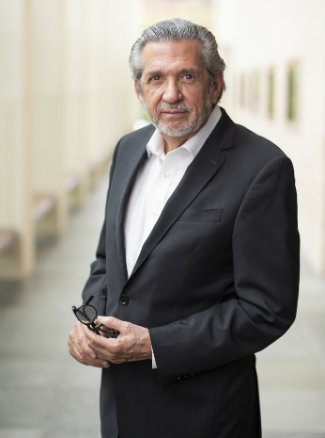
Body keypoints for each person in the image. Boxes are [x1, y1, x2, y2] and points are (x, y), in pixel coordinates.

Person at [68, 18, 300, 438]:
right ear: (139, 90)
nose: (170, 93)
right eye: (156, 78)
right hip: (121, 407)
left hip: (204, 415)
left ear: (215, 84)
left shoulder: (262, 169)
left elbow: (267, 309)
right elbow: (108, 260)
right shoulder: (128, 149)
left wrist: (154, 345)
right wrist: (91, 321)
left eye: (186, 76)